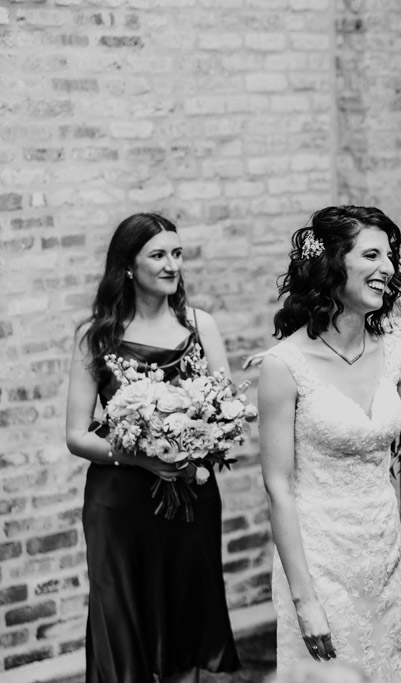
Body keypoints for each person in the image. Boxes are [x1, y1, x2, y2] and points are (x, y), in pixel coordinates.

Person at [253, 205, 401, 682]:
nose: (388, 268)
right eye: (373, 255)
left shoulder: (395, 352)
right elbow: (278, 487)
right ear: (332, 262)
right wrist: (304, 599)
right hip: (319, 562)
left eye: (391, 256)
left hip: (382, 556)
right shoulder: (284, 366)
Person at [65, 213, 240, 683]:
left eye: (177, 254)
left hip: (190, 496)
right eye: (158, 255)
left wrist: (196, 443)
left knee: (186, 616)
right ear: (127, 266)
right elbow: (77, 435)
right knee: (123, 620)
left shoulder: (201, 326)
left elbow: (226, 410)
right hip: (120, 504)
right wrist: (142, 456)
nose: (171, 265)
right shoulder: (96, 335)